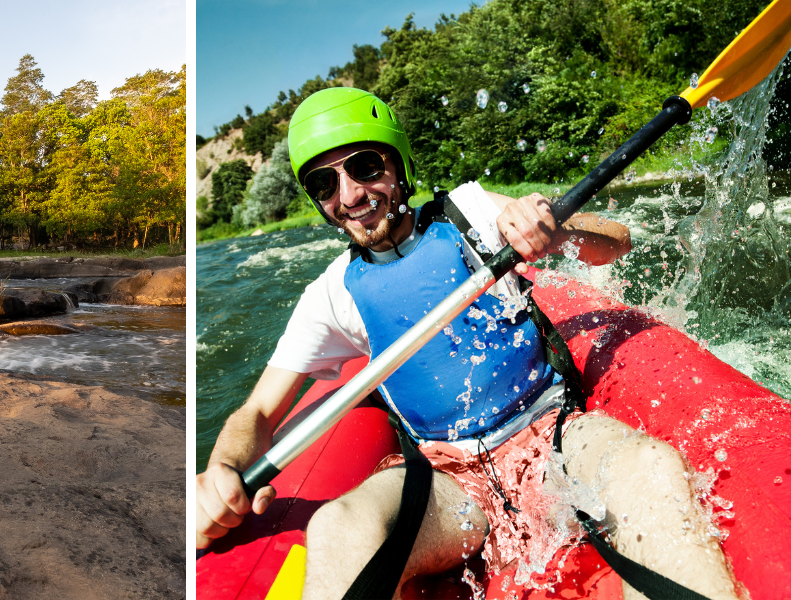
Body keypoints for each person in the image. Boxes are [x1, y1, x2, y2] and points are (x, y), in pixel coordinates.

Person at [195, 88, 740, 600]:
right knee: (337, 527)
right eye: (324, 184)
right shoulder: (331, 295)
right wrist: (221, 469)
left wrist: (552, 228)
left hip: (552, 434)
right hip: (449, 482)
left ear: (399, 166)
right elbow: (259, 410)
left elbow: (616, 242)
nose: (350, 195)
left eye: (365, 167)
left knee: (648, 469)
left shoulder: (471, 212)